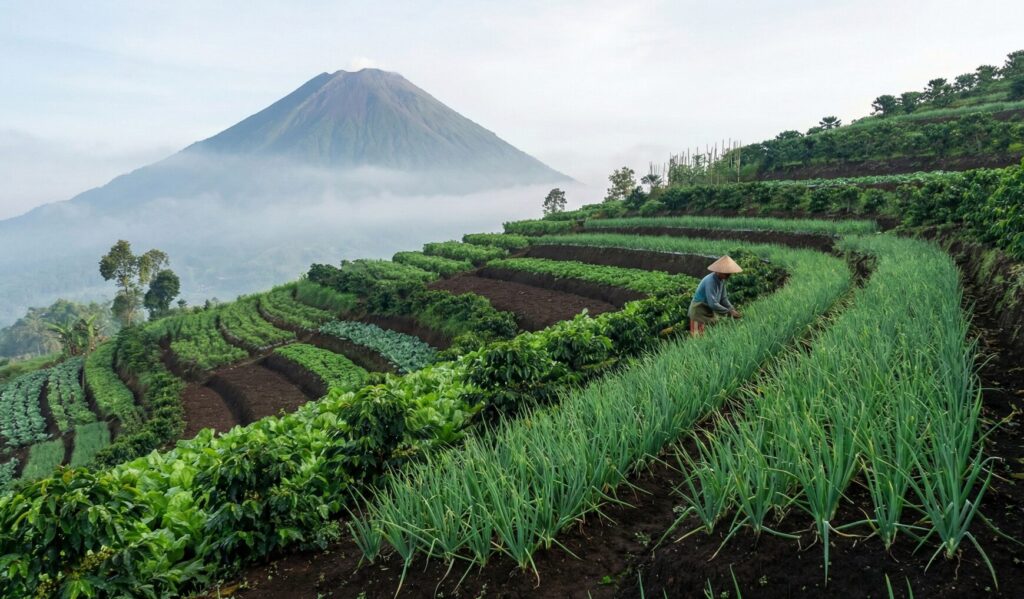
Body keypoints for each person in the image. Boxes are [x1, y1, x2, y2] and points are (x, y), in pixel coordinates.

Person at [688, 255, 743, 336]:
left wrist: (732, 309)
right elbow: (712, 303)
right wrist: (729, 312)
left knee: (710, 335)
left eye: (729, 274)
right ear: (718, 271)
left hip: (708, 310)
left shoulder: (721, 280)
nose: (728, 276)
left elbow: (723, 298)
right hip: (699, 311)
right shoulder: (711, 281)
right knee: (698, 338)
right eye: (726, 273)